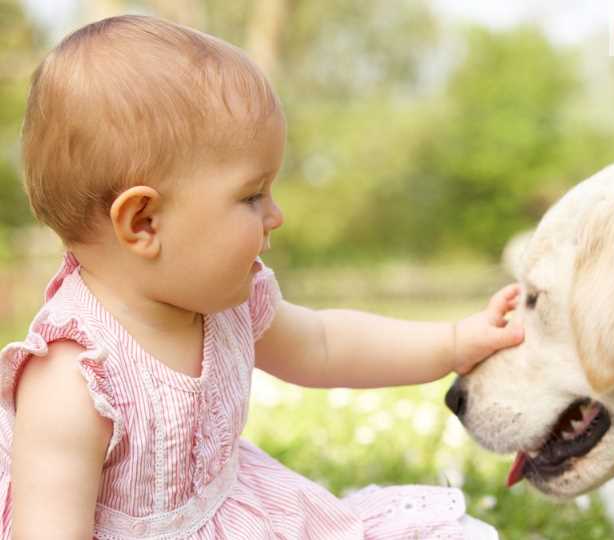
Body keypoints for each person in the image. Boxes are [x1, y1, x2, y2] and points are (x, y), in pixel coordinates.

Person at [0, 15, 524, 539]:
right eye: (252, 195)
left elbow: (324, 343)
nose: (275, 216)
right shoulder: (74, 376)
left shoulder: (226, 302)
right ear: (143, 222)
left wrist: (453, 342)